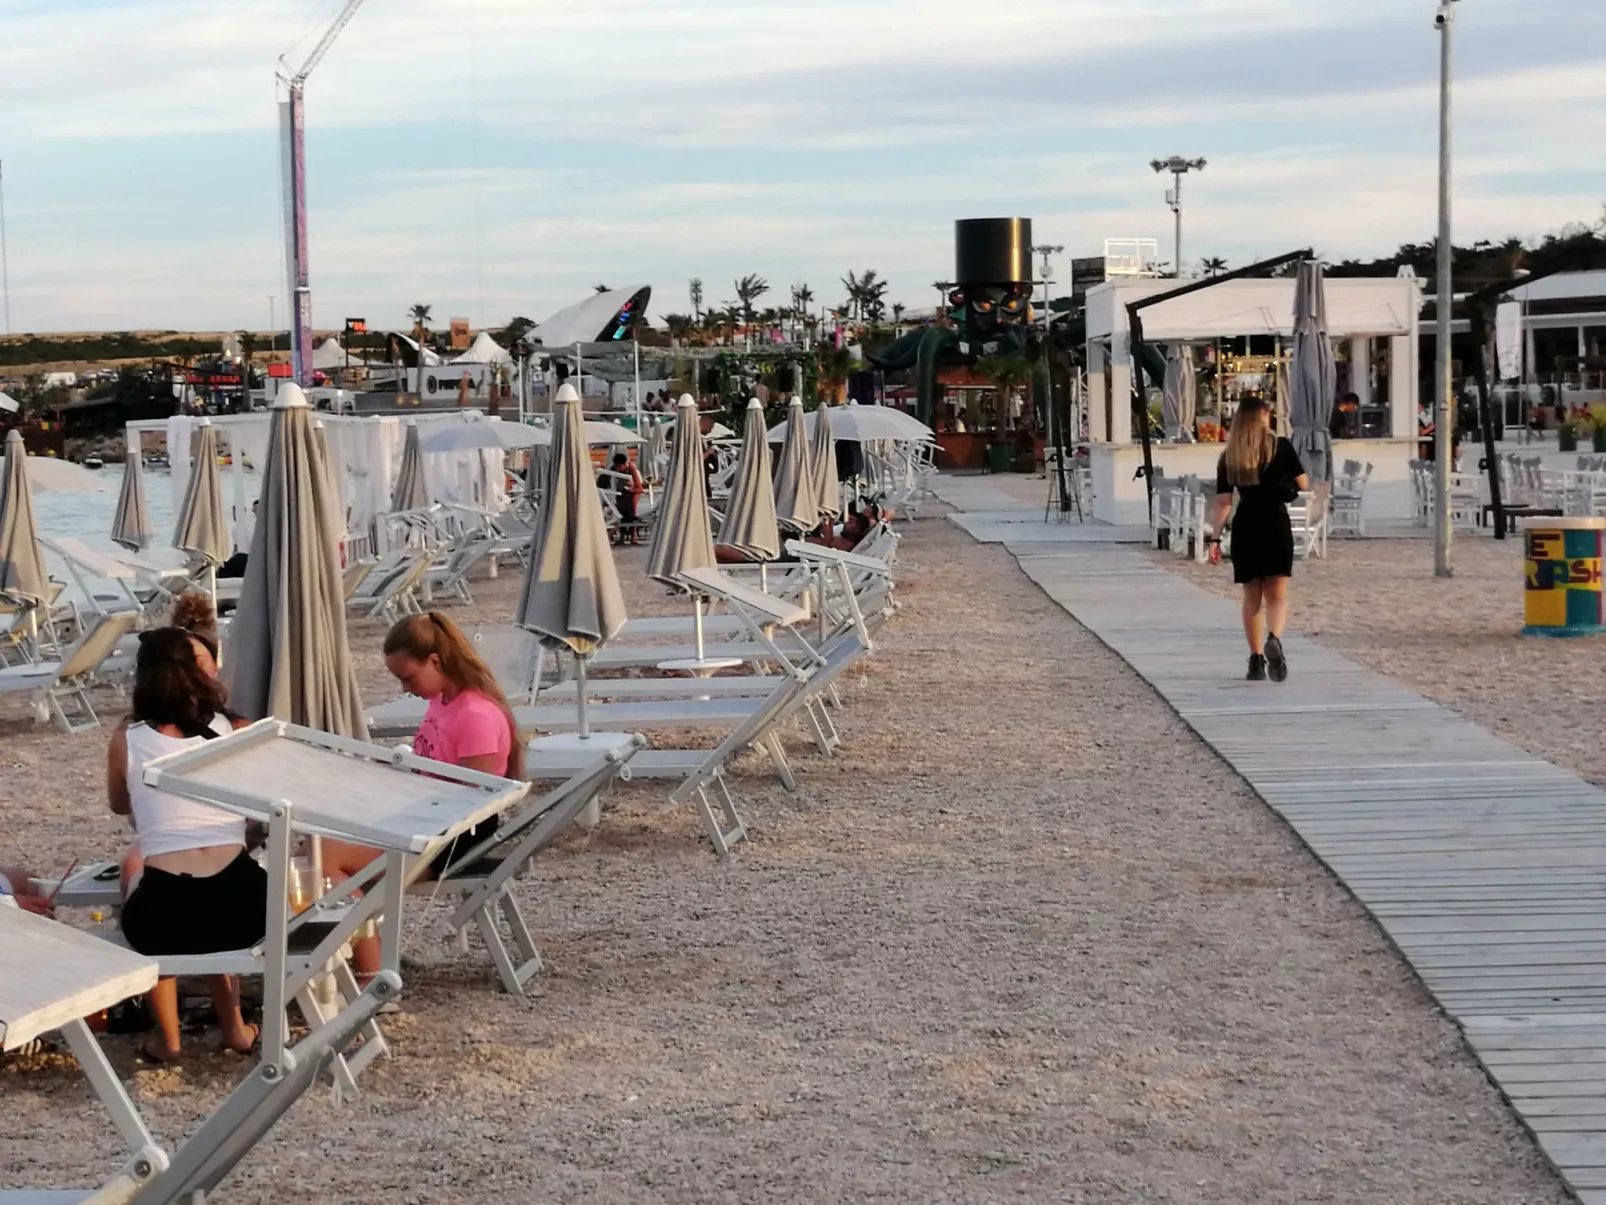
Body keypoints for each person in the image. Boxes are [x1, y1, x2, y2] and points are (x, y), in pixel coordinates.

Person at [323, 612, 523, 982]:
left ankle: (371, 974)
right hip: (432, 821)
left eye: (407, 678)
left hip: (450, 837)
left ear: (435, 661)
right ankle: (363, 956)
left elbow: (468, 803)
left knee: (326, 856)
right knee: (322, 842)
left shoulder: (475, 715)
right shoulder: (447, 703)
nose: (404, 689)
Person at [107, 626, 264, 1061]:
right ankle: (234, 1029)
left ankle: (168, 1039)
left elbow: (120, 804)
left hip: (165, 914)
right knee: (217, 898)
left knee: (138, 879)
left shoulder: (128, 739)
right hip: (247, 907)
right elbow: (257, 803)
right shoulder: (236, 728)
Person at [1205, 396, 1309, 683]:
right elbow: (1303, 483)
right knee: (1277, 595)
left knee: (1251, 598)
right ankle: (1274, 638)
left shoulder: (1229, 456)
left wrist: (1214, 539)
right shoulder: (1281, 447)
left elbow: (1224, 502)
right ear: (1263, 415)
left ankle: (1255, 661)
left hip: (1246, 525)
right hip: (1275, 522)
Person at [610, 452, 645, 545]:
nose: (618, 469)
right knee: (620, 507)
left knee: (630, 507)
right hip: (621, 494)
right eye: (616, 467)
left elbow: (639, 488)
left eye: (620, 467)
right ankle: (622, 537)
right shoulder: (614, 469)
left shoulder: (632, 469)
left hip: (633, 493)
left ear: (625, 464)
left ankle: (633, 537)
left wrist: (630, 490)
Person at [219, 499, 258, 579]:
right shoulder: (252, 523)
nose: (234, 515)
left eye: (235, 512)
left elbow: (236, 548)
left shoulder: (237, 527)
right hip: (250, 558)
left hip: (244, 559)